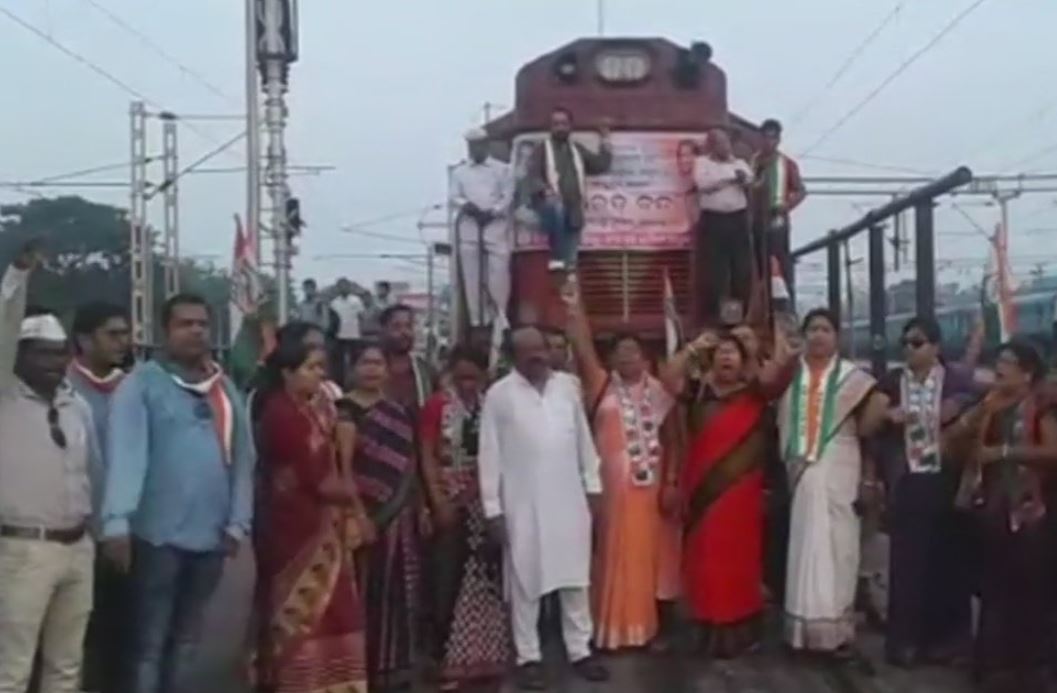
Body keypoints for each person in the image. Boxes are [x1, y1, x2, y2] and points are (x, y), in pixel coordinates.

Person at [102, 293, 255, 693]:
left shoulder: (222, 388)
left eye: (203, 324)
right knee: (150, 642)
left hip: (211, 536)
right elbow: (127, 453)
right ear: (164, 331)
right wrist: (116, 522)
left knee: (187, 640)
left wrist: (239, 521)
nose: (196, 331)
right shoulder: (141, 385)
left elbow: (242, 457)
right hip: (156, 536)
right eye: (185, 324)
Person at [478, 325, 609, 690]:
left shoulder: (568, 387)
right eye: (528, 350)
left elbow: (584, 440)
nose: (538, 355)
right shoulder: (499, 396)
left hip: (569, 500)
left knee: (575, 580)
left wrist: (594, 487)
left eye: (541, 348)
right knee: (525, 580)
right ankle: (528, 656)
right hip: (522, 504)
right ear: (512, 356)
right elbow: (489, 455)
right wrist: (493, 510)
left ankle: (580, 649)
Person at [0, 246, 102, 693]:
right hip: (22, 551)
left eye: (61, 353)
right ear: (19, 356)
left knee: (66, 667)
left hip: (77, 547)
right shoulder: (5, 397)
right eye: (43, 354)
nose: (55, 363)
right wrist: (16, 277)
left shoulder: (75, 403)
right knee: (13, 669)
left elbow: (92, 472)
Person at [664, 325, 796, 656]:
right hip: (701, 492)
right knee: (704, 559)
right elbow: (668, 377)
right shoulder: (696, 393)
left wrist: (776, 345)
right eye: (720, 351)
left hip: (742, 493)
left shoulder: (756, 393)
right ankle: (705, 626)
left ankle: (740, 631)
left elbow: (778, 376)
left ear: (743, 360)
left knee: (739, 559)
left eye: (733, 351)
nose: (726, 356)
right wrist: (693, 347)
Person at [253, 332, 371, 692]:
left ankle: (333, 681)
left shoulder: (314, 409)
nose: (319, 375)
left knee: (335, 610)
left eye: (322, 367)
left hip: (322, 525)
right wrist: (357, 495)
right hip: (296, 529)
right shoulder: (282, 413)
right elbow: (319, 480)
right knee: (303, 611)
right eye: (311, 368)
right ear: (287, 372)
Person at [562, 287, 677, 651]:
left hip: (648, 490)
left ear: (646, 359)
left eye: (634, 353)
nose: (627, 358)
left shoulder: (659, 391)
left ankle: (641, 630)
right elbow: (581, 346)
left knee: (643, 558)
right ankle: (606, 630)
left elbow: (674, 440)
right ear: (610, 359)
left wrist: (671, 481)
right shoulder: (600, 386)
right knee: (609, 555)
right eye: (620, 353)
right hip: (609, 489)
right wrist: (573, 304)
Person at [945, 340, 1057, 693]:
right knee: (993, 589)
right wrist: (975, 417)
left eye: (1008, 362)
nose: (1000, 366)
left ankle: (1030, 669)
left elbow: (1053, 452)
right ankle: (993, 666)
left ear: (1027, 373)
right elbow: (954, 443)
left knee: (1030, 593)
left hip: (1030, 516)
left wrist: (1004, 452)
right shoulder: (990, 406)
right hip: (992, 510)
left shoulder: (1041, 408)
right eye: (999, 360)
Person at [778, 308, 887, 657]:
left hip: (842, 462)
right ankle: (802, 630)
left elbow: (871, 431)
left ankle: (837, 631)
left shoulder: (855, 380)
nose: (818, 335)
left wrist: (870, 478)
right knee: (806, 542)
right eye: (812, 329)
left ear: (837, 336)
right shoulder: (790, 376)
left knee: (840, 544)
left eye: (825, 329)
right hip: (803, 470)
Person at [875, 318, 976, 668]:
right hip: (909, 479)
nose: (908, 349)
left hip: (945, 478)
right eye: (905, 343)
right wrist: (888, 416)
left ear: (935, 346)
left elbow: (976, 406)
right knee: (907, 564)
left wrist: (958, 409)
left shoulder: (955, 381)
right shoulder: (892, 381)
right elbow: (873, 420)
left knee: (948, 562)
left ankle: (948, 640)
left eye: (916, 343)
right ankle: (905, 642)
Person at [419, 346, 511, 690]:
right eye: (462, 378)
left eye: (474, 377)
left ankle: (483, 654)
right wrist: (438, 500)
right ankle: (443, 654)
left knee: (486, 577)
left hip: (485, 503)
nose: (468, 384)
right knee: (446, 578)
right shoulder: (437, 406)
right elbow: (426, 455)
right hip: (449, 501)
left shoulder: (492, 405)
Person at [338, 342, 421, 691]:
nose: (373, 370)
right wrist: (360, 515)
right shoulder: (344, 411)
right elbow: (342, 470)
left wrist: (414, 508)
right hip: (363, 517)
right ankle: (361, 669)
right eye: (366, 363)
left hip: (398, 516)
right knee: (363, 593)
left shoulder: (397, 410)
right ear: (353, 368)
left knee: (398, 593)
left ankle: (394, 667)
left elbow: (410, 462)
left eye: (378, 363)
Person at [67, 301, 131, 693]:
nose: (122, 342)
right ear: (83, 340)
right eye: (113, 334)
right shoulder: (62, 388)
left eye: (125, 334)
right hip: (78, 531)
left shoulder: (134, 387)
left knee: (120, 634)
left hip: (126, 531)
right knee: (72, 639)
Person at [526, 107, 613, 271]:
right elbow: (532, 175)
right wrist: (544, 190)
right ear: (550, 127)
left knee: (570, 266)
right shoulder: (541, 150)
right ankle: (556, 257)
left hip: (573, 214)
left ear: (570, 126)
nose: (560, 127)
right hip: (550, 212)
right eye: (556, 124)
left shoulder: (577, 150)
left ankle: (565, 272)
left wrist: (605, 139)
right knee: (556, 207)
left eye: (564, 124)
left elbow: (600, 164)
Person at [451, 128, 514, 326]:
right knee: (471, 274)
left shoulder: (502, 169)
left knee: (499, 270)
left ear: (486, 145)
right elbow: (454, 197)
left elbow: (508, 195)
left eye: (479, 145)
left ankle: (499, 316)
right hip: (470, 226)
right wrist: (468, 207)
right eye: (471, 145)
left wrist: (493, 211)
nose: (474, 149)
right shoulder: (459, 172)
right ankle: (476, 320)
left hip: (495, 226)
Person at [693, 128, 754, 324]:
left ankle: (737, 316)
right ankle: (716, 315)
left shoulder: (740, 163)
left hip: (737, 219)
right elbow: (703, 185)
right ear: (711, 145)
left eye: (726, 143)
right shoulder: (702, 163)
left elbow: (750, 180)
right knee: (715, 271)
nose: (724, 147)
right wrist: (729, 179)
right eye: (719, 143)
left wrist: (742, 179)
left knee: (741, 269)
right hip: (713, 220)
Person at [751, 119, 806, 291]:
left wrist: (786, 206)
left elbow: (800, 191)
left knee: (780, 261)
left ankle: (783, 300)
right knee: (757, 263)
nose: (769, 142)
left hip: (777, 220)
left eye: (773, 138)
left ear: (778, 140)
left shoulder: (787, 164)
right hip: (754, 221)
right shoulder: (751, 163)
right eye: (766, 137)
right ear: (760, 138)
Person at [380, 304, 434, 420]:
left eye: (408, 326)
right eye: (397, 327)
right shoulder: (371, 367)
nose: (404, 332)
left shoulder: (426, 371)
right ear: (384, 330)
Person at [331, 277, 368, 387]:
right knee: (339, 363)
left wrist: (362, 332)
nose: (343, 288)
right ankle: (340, 384)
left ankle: (356, 382)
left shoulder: (356, 300)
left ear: (349, 287)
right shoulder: (334, 303)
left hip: (354, 335)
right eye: (341, 286)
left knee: (355, 361)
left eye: (345, 286)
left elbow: (362, 317)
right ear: (338, 288)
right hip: (339, 336)